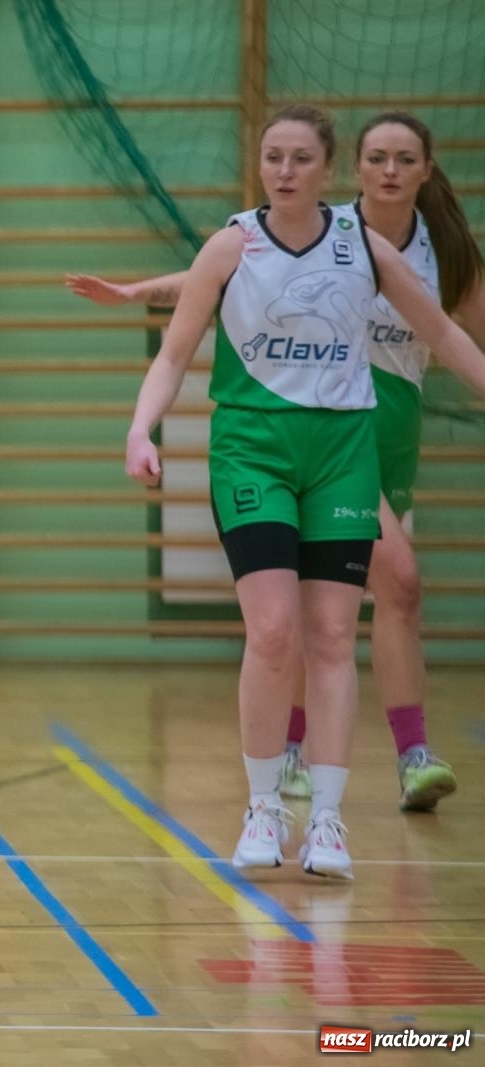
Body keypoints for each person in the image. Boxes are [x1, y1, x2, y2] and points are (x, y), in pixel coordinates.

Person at [71, 111, 485, 814]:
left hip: (376, 433)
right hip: (299, 434)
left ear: (424, 168)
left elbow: (451, 334)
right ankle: (315, 766)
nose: (388, 169)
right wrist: (144, 302)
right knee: (313, 608)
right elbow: (224, 277)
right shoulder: (285, 236)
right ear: (354, 167)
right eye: (376, 156)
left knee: (348, 610)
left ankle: (341, 773)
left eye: (403, 157)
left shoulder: (425, 252)